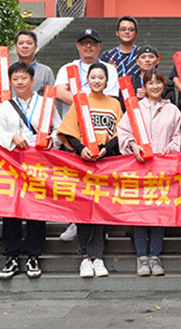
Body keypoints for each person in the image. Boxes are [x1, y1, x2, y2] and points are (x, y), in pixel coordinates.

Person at [0, 62, 62, 280]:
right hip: (12, 163)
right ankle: (11, 256)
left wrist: (51, 140)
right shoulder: (5, 106)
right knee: (11, 208)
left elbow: (59, 128)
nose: (20, 82)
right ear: (10, 82)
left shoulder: (45, 103)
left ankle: (33, 255)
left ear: (33, 80)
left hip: (38, 163)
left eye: (24, 78)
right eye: (15, 79)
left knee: (36, 207)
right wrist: (12, 137)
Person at [56, 62, 122, 278]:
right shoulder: (80, 101)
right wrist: (81, 149)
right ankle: (85, 257)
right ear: (87, 80)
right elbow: (69, 131)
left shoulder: (114, 104)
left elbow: (120, 132)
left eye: (100, 77)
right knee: (83, 209)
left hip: (105, 162)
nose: (96, 81)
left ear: (107, 80)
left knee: (101, 209)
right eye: (93, 77)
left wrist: (105, 149)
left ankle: (98, 256)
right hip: (82, 162)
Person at [118, 69, 181, 277]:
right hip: (139, 168)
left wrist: (172, 148)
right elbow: (123, 132)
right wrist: (132, 145)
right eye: (150, 83)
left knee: (158, 212)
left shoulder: (173, 110)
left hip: (163, 169)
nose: (154, 86)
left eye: (158, 82)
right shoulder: (134, 108)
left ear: (164, 85)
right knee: (139, 213)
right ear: (144, 87)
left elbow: (178, 135)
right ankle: (141, 258)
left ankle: (155, 256)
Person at [54, 28, 119, 112]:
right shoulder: (67, 68)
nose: (88, 46)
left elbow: (110, 97)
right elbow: (59, 92)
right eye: (84, 43)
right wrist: (84, 103)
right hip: (74, 118)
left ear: (100, 46)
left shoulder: (110, 69)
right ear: (78, 46)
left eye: (93, 42)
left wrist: (86, 104)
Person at [13, 30, 55, 96]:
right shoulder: (8, 70)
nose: (25, 46)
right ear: (16, 47)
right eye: (21, 43)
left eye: (29, 43)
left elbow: (52, 97)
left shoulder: (45, 72)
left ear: (35, 47)